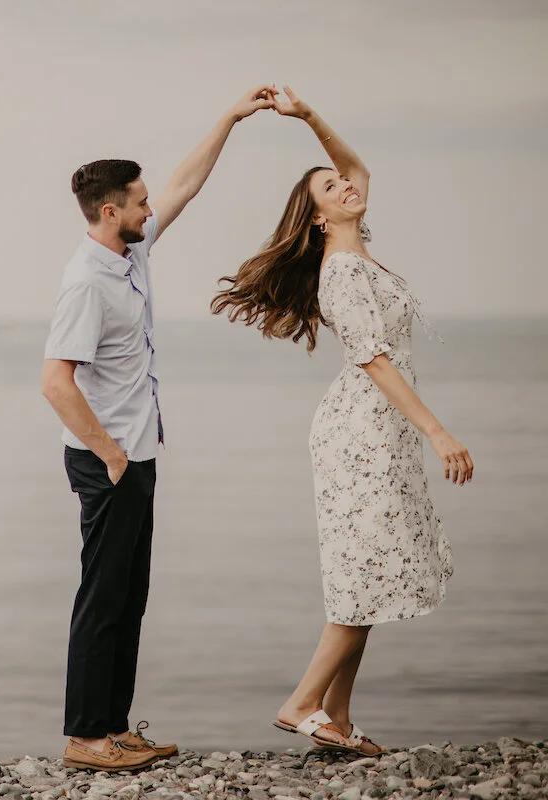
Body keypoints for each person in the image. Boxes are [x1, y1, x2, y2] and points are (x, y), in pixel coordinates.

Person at [210, 86, 473, 755]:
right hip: (362, 432)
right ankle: (302, 703)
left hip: (374, 430)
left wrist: (308, 118)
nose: (347, 186)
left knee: (369, 572)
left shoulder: (354, 247)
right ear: (320, 217)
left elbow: (360, 170)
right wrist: (437, 430)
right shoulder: (344, 271)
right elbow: (376, 360)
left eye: (342, 182)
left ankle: (337, 718)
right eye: (330, 188)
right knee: (362, 576)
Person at [41, 85, 277, 772]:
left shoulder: (131, 253)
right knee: (102, 601)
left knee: (129, 600)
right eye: (139, 203)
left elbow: (184, 184)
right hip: (107, 459)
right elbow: (55, 382)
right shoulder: (88, 282)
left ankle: (114, 727)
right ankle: (87, 737)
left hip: (135, 454)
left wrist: (230, 118)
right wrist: (111, 455)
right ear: (110, 211)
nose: (152, 208)